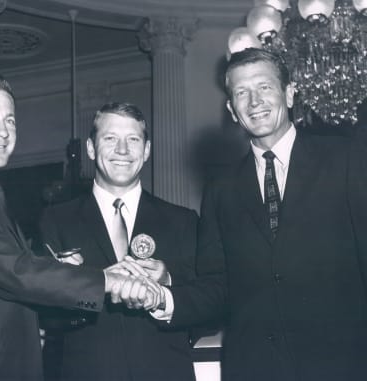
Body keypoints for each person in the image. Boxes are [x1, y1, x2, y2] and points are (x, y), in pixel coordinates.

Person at [136, 48, 367, 381]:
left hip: (344, 366)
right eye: (241, 93)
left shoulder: (346, 158)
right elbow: (216, 286)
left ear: (289, 94)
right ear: (232, 110)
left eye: (264, 87)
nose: (254, 100)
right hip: (253, 367)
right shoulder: (220, 189)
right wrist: (164, 298)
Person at [0, 72, 157, 381]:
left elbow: (11, 288)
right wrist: (102, 280)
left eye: (9, 121)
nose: (2, 132)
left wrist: (56, 269)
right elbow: (11, 271)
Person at [39, 102, 198, 381]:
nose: (122, 150)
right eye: (110, 138)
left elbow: (210, 304)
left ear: (146, 150)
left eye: (133, 139)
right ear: (90, 148)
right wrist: (80, 288)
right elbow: (44, 316)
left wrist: (169, 283)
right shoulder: (55, 221)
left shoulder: (182, 220)